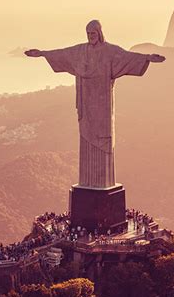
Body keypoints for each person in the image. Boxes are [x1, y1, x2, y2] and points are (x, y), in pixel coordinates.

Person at [25, 20, 165, 188]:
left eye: (93, 33)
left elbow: (127, 57)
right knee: (86, 137)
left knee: (103, 140)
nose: (91, 36)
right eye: (88, 34)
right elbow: (62, 54)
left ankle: (102, 182)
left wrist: (147, 58)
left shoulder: (110, 52)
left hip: (103, 107)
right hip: (87, 104)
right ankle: (88, 183)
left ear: (99, 33)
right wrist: (42, 53)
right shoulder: (80, 52)